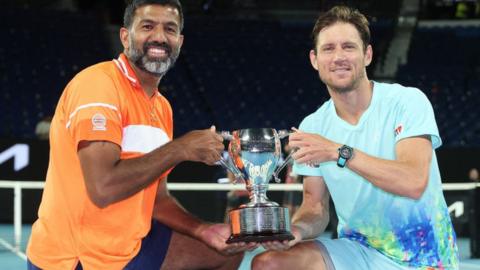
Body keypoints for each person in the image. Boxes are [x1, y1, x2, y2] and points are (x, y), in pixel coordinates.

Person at [26, 1, 256, 269]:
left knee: (224, 252)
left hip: (131, 244)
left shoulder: (161, 106)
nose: (159, 36)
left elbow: (157, 200)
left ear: (179, 41)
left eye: (169, 29)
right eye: (147, 26)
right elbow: (102, 188)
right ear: (125, 36)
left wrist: (203, 230)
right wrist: (180, 148)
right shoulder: (98, 85)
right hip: (80, 257)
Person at [252, 6, 459, 270]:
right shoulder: (313, 125)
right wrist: (297, 231)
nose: (338, 57)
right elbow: (315, 207)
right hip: (357, 252)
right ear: (315, 60)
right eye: (328, 49)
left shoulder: (407, 101)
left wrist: (338, 151)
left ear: (367, 55)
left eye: (349, 47)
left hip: (426, 259)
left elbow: (413, 181)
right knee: (268, 264)